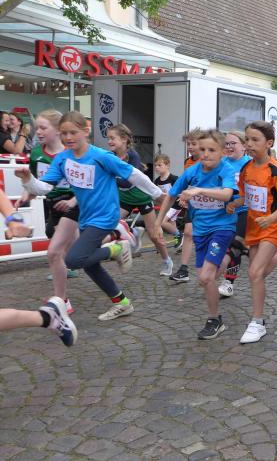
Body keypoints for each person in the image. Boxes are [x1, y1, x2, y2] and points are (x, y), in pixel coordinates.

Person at [17, 111, 163, 321]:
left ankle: (116, 247)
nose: (68, 137)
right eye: (64, 133)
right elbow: (44, 188)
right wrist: (28, 180)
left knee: (74, 259)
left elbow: (134, 174)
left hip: (105, 216)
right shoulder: (63, 159)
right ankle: (122, 303)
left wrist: (157, 194)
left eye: (73, 132)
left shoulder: (101, 156)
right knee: (90, 265)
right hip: (86, 216)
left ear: (86, 131)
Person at [156, 129, 237, 339]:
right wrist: (157, 223)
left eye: (212, 150)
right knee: (204, 280)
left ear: (222, 152)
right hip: (201, 231)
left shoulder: (226, 170)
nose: (206, 154)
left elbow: (227, 194)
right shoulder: (191, 172)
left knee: (206, 276)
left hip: (222, 228)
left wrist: (198, 191)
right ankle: (227, 259)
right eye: (202, 149)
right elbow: (171, 196)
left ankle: (213, 320)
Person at [228, 121, 277, 343]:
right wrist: (234, 203)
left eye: (255, 140)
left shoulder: (276, 170)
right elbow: (246, 196)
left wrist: (271, 219)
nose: (249, 144)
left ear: (269, 143)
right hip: (256, 224)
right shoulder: (246, 168)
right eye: (247, 139)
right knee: (258, 273)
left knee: (255, 273)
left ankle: (257, 323)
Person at [0, 188, 77, 345]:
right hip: (57, 207)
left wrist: (13, 219)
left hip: (76, 208)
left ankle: (49, 316)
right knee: (59, 250)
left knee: (70, 254)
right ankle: (49, 316)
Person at [22, 110, 80, 305]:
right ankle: (113, 243)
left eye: (43, 128)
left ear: (57, 130)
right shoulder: (36, 153)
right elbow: (34, 181)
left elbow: (86, 184)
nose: (38, 132)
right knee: (63, 244)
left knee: (57, 251)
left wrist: (74, 200)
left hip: (71, 200)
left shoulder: (70, 153)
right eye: (36, 128)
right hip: (51, 201)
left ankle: (62, 298)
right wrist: (26, 194)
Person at [106, 124, 173, 276]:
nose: (109, 141)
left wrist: (112, 178)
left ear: (124, 139)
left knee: (154, 235)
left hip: (141, 197)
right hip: (124, 197)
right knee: (110, 224)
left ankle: (167, 260)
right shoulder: (110, 156)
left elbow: (127, 182)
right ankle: (133, 233)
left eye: (112, 138)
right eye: (108, 138)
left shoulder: (133, 156)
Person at [217, 131, 253, 298]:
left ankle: (229, 283)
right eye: (227, 144)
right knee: (230, 246)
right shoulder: (222, 163)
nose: (229, 146)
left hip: (245, 210)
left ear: (244, 146)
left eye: (233, 143)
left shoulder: (250, 164)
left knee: (234, 245)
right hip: (225, 211)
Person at [170, 129, 203, 283]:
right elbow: (187, 183)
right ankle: (183, 270)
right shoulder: (187, 162)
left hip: (209, 206)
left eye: (193, 144)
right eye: (188, 144)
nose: (190, 147)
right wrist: (184, 197)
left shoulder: (209, 161)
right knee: (188, 233)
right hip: (193, 204)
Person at [152, 154, 182, 246]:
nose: (157, 167)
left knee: (162, 222)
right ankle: (180, 243)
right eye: (155, 165)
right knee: (171, 223)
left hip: (175, 205)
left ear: (167, 165)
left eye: (159, 165)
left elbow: (181, 190)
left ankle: (179, 234)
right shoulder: (157, 181)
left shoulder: (174, 179)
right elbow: (157, 195)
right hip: (165, 206)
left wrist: (182, 199)